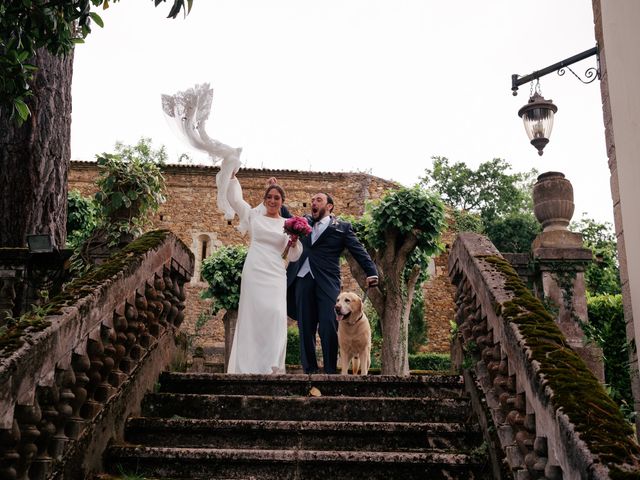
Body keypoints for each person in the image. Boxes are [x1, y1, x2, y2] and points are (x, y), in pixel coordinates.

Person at [287, 193, 378, 374]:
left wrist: (372, 272)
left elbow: (358, 250)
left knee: (329, 325)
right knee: (305, 327)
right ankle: (309, 372)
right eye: (312, 200)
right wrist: (275, 189)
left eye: (318, 200)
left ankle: (330, 372)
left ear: (329, 206)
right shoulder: (303, 223)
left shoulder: (342, 228)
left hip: (327, 281)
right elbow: (283, 216)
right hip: (302, 279)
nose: (313, 202)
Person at [226, 173, 302, 374]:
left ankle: (271, 365)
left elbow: (293, 256)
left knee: (275, 314)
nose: (273, 201)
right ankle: (248, 366)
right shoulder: (253, 216)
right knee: (252, 315)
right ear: (264, 199)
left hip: (276, 272)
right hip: (254, 270)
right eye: (269, 197)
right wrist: (233, 178)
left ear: (282, 202)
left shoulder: (288, 224)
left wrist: (294, 242)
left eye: (277, 198)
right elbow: (235, 200)